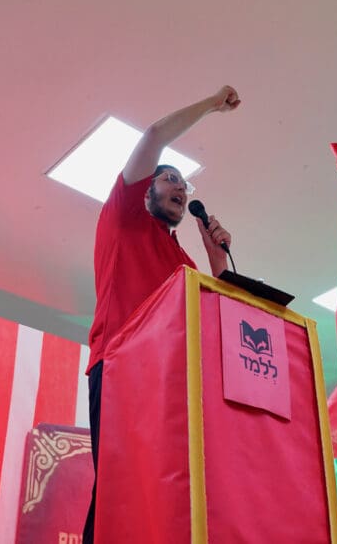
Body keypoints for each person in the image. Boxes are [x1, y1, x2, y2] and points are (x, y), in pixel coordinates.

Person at [83, 86, 241, 543]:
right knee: (117, 492)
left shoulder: (185, 265)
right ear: (145, 189)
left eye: (184, 184)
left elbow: (220, 317)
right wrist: (211, 103)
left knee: (162, 495)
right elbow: (153, 135)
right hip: (119, 370)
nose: (180, 188)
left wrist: (216, 259)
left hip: (172, 383)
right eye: (169, 179)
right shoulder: (124, 218)